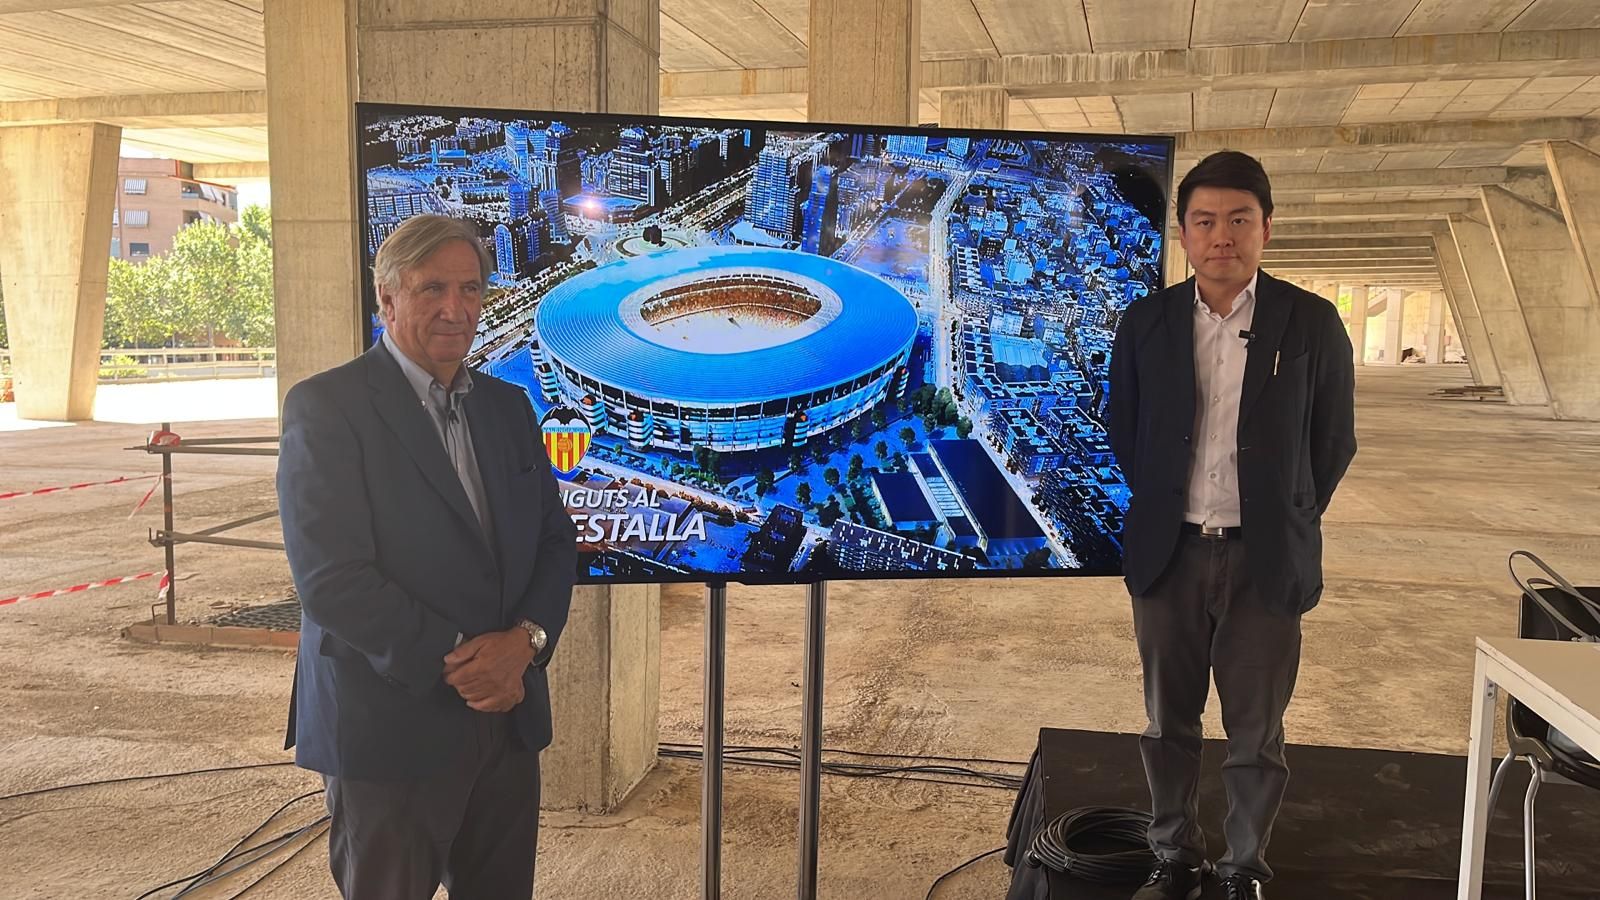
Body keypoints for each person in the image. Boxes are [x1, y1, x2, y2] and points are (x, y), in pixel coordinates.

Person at [277, 214, 577, 899]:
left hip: (506, 720)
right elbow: (332, 579)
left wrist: (524, 643)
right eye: (432, 288)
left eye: (470, 289)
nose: (456, 308)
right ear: (386, 299)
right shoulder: (329, 408)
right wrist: (470, 664)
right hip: (390, 727)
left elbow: (556, 543)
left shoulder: (507, 408)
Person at [1108, 151, 1357, 900]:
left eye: (1239, 221)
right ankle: (1172, 852)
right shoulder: (1146, 321)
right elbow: (1127, 428)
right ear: (1182, 234)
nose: (1223, 237)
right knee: (1166, 726)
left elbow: (1332, 442)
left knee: (1257, 735)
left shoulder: (1311, 323)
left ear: (1266, 230)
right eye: (1206, 221)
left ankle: (1243, 867)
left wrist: (1287, 516)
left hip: (1265, 562)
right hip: (1169, 555)